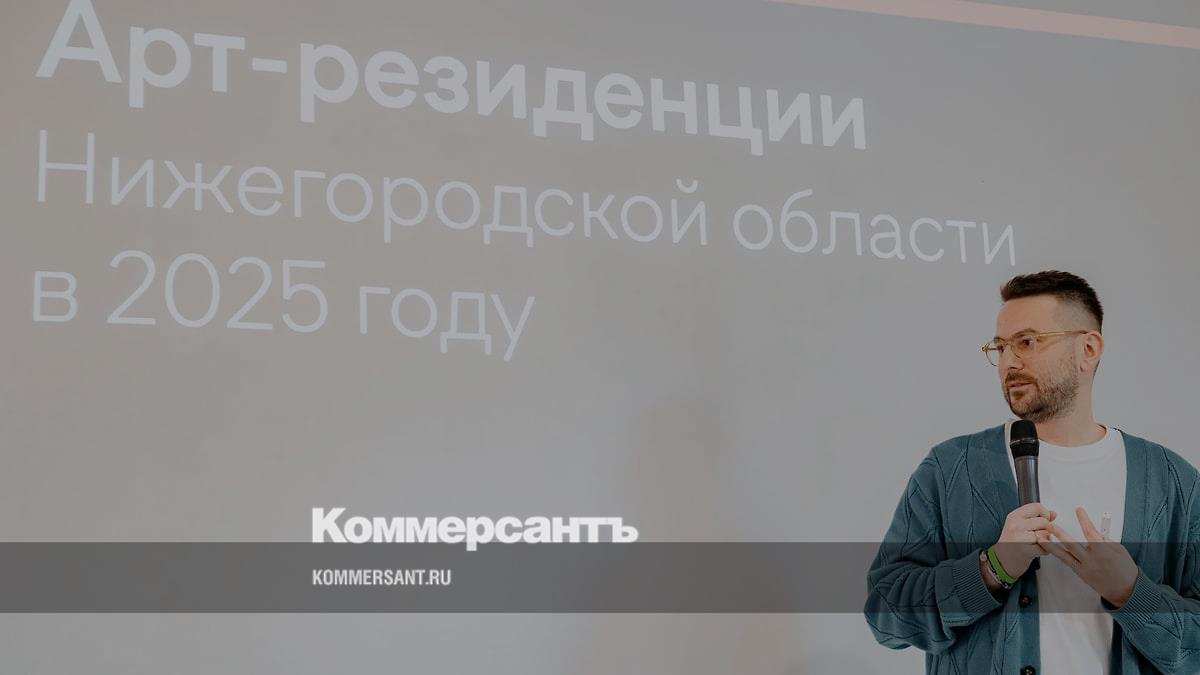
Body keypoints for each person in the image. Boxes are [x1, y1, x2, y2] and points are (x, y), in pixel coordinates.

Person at [863, 270, 1200, 674]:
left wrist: (1131, 592)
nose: (1009, 362)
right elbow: (885, 614)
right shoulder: (950, 468)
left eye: (1027, 342)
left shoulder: (1173, 483)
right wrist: (991, 569)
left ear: (1088, 349)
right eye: (1000, 347)